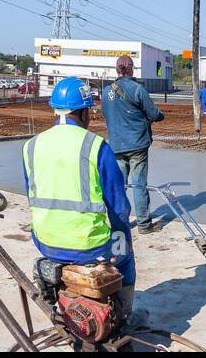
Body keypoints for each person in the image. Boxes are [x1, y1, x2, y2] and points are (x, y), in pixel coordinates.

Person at [24, 77, 135, 314]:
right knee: (125, 253)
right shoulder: (95, 146)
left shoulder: (31, 146)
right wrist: (121, 242)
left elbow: (31, 194)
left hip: (44, 242)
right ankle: (124, 315)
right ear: (84, 112)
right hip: (90, 247)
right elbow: (119, 209)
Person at [101, 55, 165, 234]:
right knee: (138, 184)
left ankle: (120, 225)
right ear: (131, 68)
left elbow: (106, 113)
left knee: (118, 185)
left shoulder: (106, 92)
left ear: (117, 69)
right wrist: (161, 115)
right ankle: (144, 225)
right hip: (137, 145)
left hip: (116, 145)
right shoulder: (138, 90)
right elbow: (153, 114)